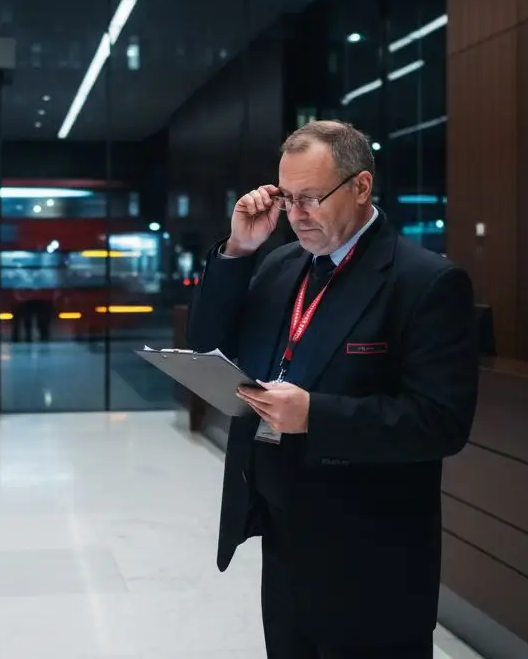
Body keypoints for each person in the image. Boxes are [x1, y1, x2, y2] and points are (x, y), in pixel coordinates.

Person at [187, 120, 480, 658]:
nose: (296, 215)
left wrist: (313, 416)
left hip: (375, 556)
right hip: (283, 537)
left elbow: (441, 423)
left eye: (311, 198)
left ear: (361, 186)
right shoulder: (281, 265)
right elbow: (208, 342)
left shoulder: (425, 282)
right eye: (287, 198)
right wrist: (238, 250)